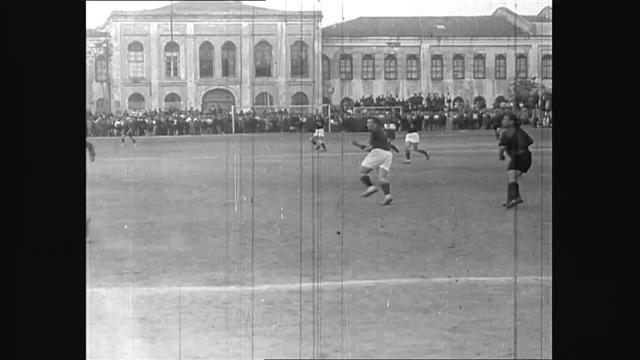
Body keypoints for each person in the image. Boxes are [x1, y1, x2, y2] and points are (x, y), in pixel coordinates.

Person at [351, 117, 394, 206]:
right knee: (382, 178)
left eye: (369, 123)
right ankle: (388, 196)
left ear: (375, 124)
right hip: (388, 154)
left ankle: (371, 187)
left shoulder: (374, 132)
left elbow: (369, 147)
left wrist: (358, 144)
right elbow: (372, 147)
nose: (367, 124)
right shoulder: (383, 132)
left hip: (378, 153)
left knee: (362, 173)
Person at [498, 113, 534, 209]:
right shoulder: (520, 131)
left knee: (512, 176)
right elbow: (530, 141)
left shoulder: (506, 133)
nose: (503, 121)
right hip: (527, 156)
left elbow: (502, 148)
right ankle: (511, 199)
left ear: (511, 122)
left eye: (505, 119)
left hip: (518, 157)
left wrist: (501, 156)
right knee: (513, 177)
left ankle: (515, 197)